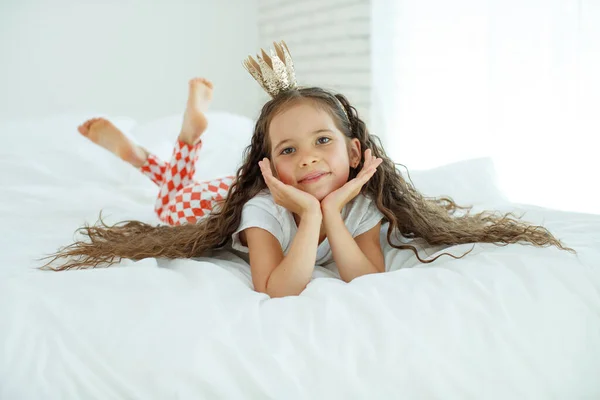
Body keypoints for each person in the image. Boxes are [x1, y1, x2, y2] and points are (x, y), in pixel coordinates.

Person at [43, 41, 575, 298]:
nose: (307, 159)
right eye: (288, 151)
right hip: (207, 199)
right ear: (269, 165)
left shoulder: (359, 202)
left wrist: (335, 212)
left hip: (325, 199)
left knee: (170, 185)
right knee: (170, 198)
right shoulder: (260, 207)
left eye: (322, 141)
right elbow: (278, 288)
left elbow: (365, 277)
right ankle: (153, 153)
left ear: (354, 150)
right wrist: (306, 213)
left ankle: (165, 146)